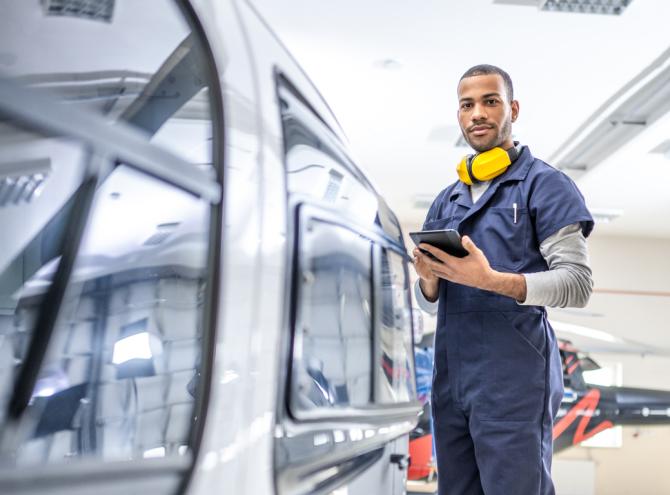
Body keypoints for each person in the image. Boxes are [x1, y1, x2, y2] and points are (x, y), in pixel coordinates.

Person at [413, 64, 594, 495]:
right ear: (459, 115)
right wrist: (428, 281)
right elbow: (428, 301)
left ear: (511, 109)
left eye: (490, 102)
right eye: (467, 104)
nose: (478, 113)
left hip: (514, 381)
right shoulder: (447, 199)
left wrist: (493, 280)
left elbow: (577, 282)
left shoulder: (545, 186)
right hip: (452, 380)